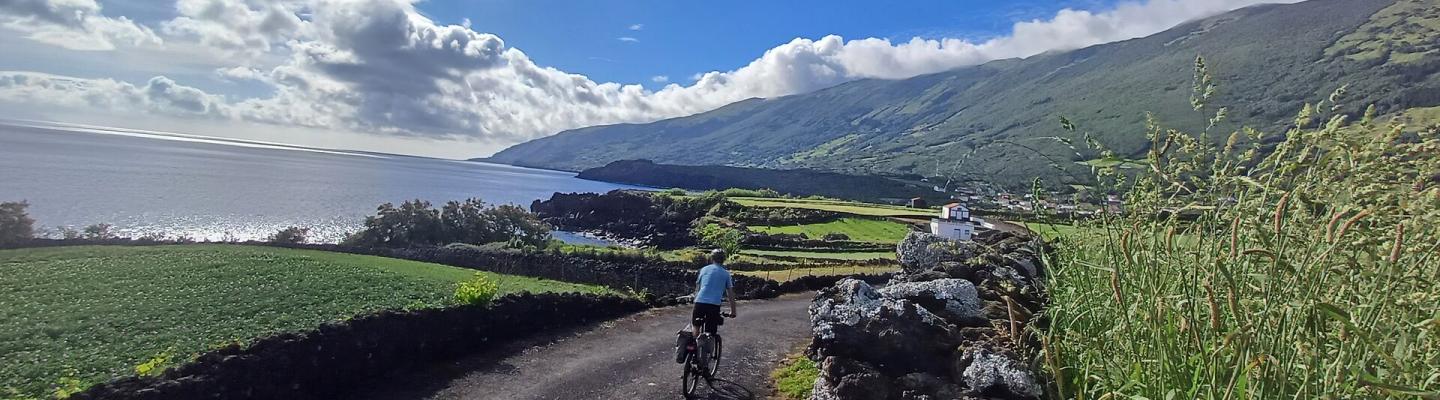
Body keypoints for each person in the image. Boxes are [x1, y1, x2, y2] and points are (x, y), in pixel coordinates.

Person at [692, 248, 736, 338]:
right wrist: (733, 311)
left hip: (699, 302)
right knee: (711, 332)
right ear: (723, 260)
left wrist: (695, 302)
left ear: (712, 259)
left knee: (696, 325)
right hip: (714, 304)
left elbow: (698, 288)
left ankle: (693, 343)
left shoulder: (704, 270)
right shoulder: (726, 274)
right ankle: (707, 349)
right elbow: (730, 294)